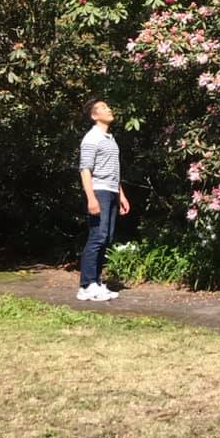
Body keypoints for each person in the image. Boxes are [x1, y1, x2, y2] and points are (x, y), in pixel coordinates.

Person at [77, 98, 130, 301]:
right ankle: (86, 285)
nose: (109, 110)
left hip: (110, 191)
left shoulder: (109, 138)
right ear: (94, 116)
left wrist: (121, 195)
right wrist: (91, 198)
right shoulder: (91, 138)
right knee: (97, 237)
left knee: (105, 238)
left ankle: (96, 282)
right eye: (103, 108)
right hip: (98, 191)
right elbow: (85, 169)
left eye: (108, 106)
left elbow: (113, 171)